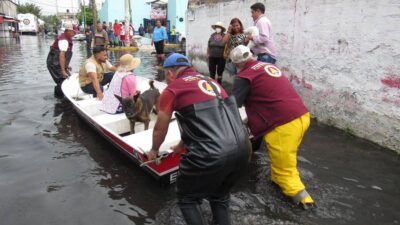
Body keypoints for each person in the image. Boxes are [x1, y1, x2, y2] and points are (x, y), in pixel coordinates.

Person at [146, 53, 251, 225]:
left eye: (166, 76)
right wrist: (181, 145)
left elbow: (160, 128)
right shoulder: (212, 82)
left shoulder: (173, 89)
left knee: (187, 198)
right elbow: (202, 120)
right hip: (243, 148)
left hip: (212, 153)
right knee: (219, 197)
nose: (166, 80)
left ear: (170, 73)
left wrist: (154, 150)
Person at [230, 45, 315, 209]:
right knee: (283, 158)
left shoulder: (244, 76)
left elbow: (233, 105)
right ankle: (276, 181)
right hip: (300, 116)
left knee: (286, 170)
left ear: (236, 64)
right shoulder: (267, 66)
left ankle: (305, 204)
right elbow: (267, 95)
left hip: (283, 125)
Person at [46, 23, 76, 97]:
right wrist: (63, 71)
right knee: (62, 81)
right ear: (68, 31)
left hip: (58, 62)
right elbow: (61, 55)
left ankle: (62, 97)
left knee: (68, 79)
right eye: (74, 32)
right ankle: (59, 99)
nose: (75, 33)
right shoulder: (64, 40)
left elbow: (65, 55)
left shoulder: (68, 38)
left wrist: (66, 66)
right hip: (54, 63)